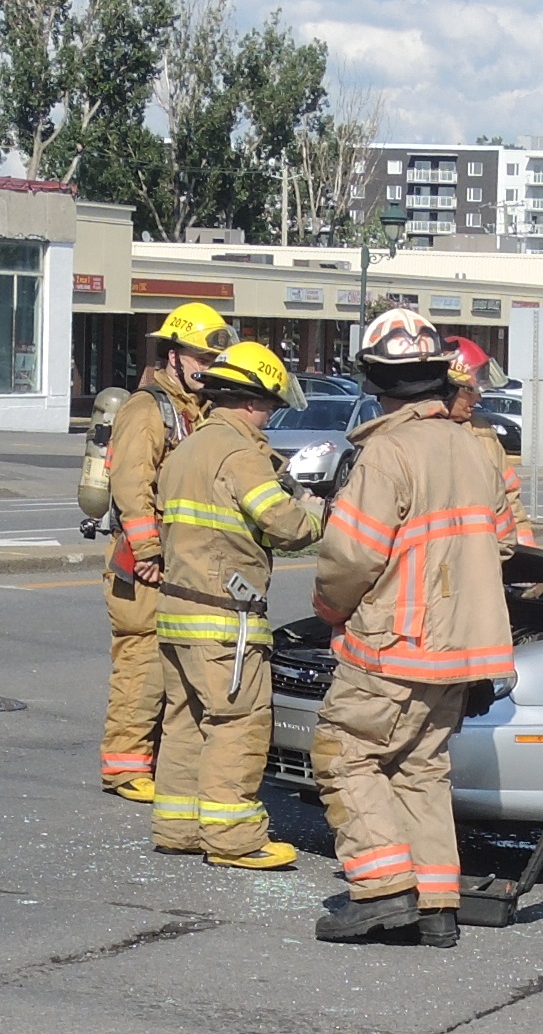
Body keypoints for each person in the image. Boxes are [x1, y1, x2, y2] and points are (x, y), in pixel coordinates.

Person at [310, 310, 517, 948]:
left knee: (345, 753)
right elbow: (505, 544)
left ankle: (384, 891)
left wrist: (329, 608)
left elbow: (351, 557)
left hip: (393, 646)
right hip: (462, 651)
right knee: (422, 768)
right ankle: (437, 905)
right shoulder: (477, 448)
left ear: (374, 380)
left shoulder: (388, 451)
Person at [149, 343, 324, 868]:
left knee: (184, 721)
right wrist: (315, 513)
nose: (269, 415)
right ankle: (232, 838)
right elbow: (287, 527)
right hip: (225, 617)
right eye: (269, 405)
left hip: (176, 613)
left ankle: (177, 826)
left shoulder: (190, 448)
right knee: (239, 721)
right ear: (251, 401)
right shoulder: (241, 455)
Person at [99, 302, 235, 801]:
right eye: (199, 356)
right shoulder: (146, 409)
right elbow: (131, 485)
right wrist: (149, 551)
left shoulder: (194, 412)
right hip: (141, 563)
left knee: (169, 661)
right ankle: (124, 765)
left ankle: (153, 760)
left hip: (178, 560)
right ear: (173, 355)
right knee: (141, 660)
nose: (206, 367)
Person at [446, 336, 532, 547]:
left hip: (483, 559)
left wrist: (527, 559)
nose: (478, 398)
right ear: (447, 388)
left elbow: (510, 499)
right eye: (469, 390)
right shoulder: (417, 436)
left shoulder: (483, 434)